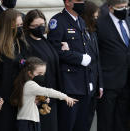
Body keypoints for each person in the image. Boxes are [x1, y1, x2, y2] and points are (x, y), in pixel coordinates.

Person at [47, 0, 93, 131]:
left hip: (84, 81)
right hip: (69, 83)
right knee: (68, 124)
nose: (82, 3)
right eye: (79, 1)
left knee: (82, 124)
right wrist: (78, 58)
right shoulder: (58, 21)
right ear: (67, 2)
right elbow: (54, 50)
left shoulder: (81, 21)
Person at [0, 9, 28, 131]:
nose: (20, 28)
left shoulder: (20, 41)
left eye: (21, 25)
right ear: (8, 25)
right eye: (18, 25)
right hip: (1, 98)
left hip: (17, 96)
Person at [10, 57, 78, 131]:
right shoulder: (30, 84)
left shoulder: (28, 85)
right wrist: (65, 97)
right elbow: (48, 91)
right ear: (29, 73)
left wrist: (42, 100)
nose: (42, 76)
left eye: (43, 74)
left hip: (29, 121)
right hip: (27, 122)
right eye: (39, 73)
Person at [23, 9, 62, 131]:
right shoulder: (26, 44)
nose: (39, 28)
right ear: (28, 26)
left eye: (41, 25)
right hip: (39, 98)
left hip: (51, 95)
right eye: (35, 26)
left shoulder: (45, 40)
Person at [97, 0, 130, 131]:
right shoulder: (100, 23)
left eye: (125, 6)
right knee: (106, 119)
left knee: (122, 118)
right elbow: (96, 53)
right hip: (109, 81)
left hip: (127, 80)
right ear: (110, 8)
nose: (124, 9)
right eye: (120, 7)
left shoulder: (128, 19)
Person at [81, 1, 104, 130]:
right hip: (83, 84)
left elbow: (97, 60)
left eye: (97, 17)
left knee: (89, 119)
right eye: (93, 17)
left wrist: (100, 84)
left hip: (94, 85)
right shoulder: (81, 33)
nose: (95, 20)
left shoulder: (93, 33)